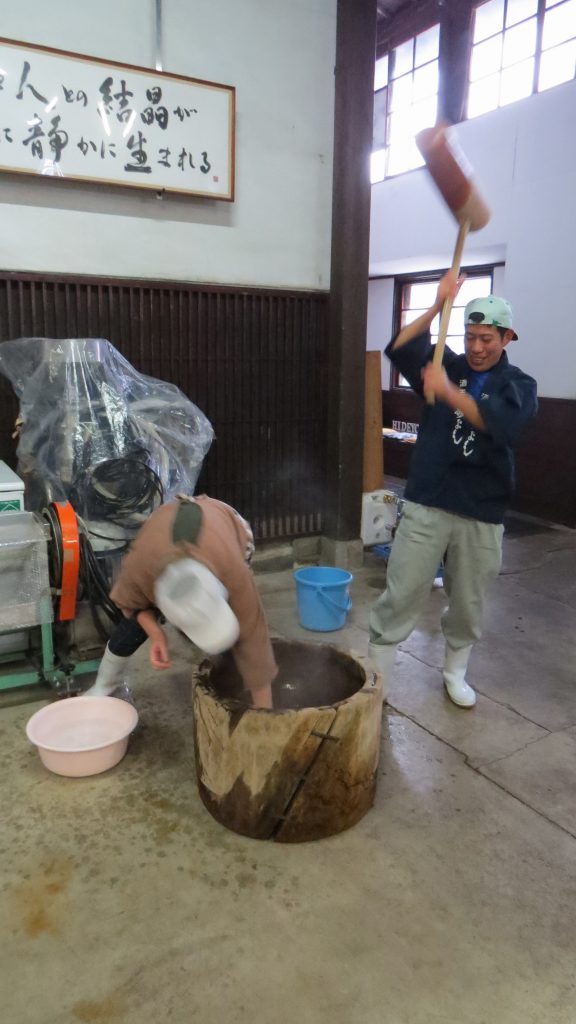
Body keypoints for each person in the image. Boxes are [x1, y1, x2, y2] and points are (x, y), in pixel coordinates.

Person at [369, 271, 537, 707]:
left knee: (468, 600)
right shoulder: (448, 363)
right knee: (402, 590)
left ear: (507, 337)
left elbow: (500, 422)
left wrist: (445, 392)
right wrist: (437, 303)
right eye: (471, 336)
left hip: (482, 510)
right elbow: (402, 346)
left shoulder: (520, 385)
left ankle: (454, 672)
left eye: (487, 338)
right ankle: (378, 680)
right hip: (428, 500)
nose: (477, 348)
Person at [85, 494, 277, 709]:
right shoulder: (139, 569)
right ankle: (104, 685)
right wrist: (156, 634)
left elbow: (255, 643)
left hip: (223, 520)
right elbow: (130, 606)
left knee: (242, 637)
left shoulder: (233, 572)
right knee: (133, 626)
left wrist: (264, 716)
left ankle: (230, 676)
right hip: (163, 536)